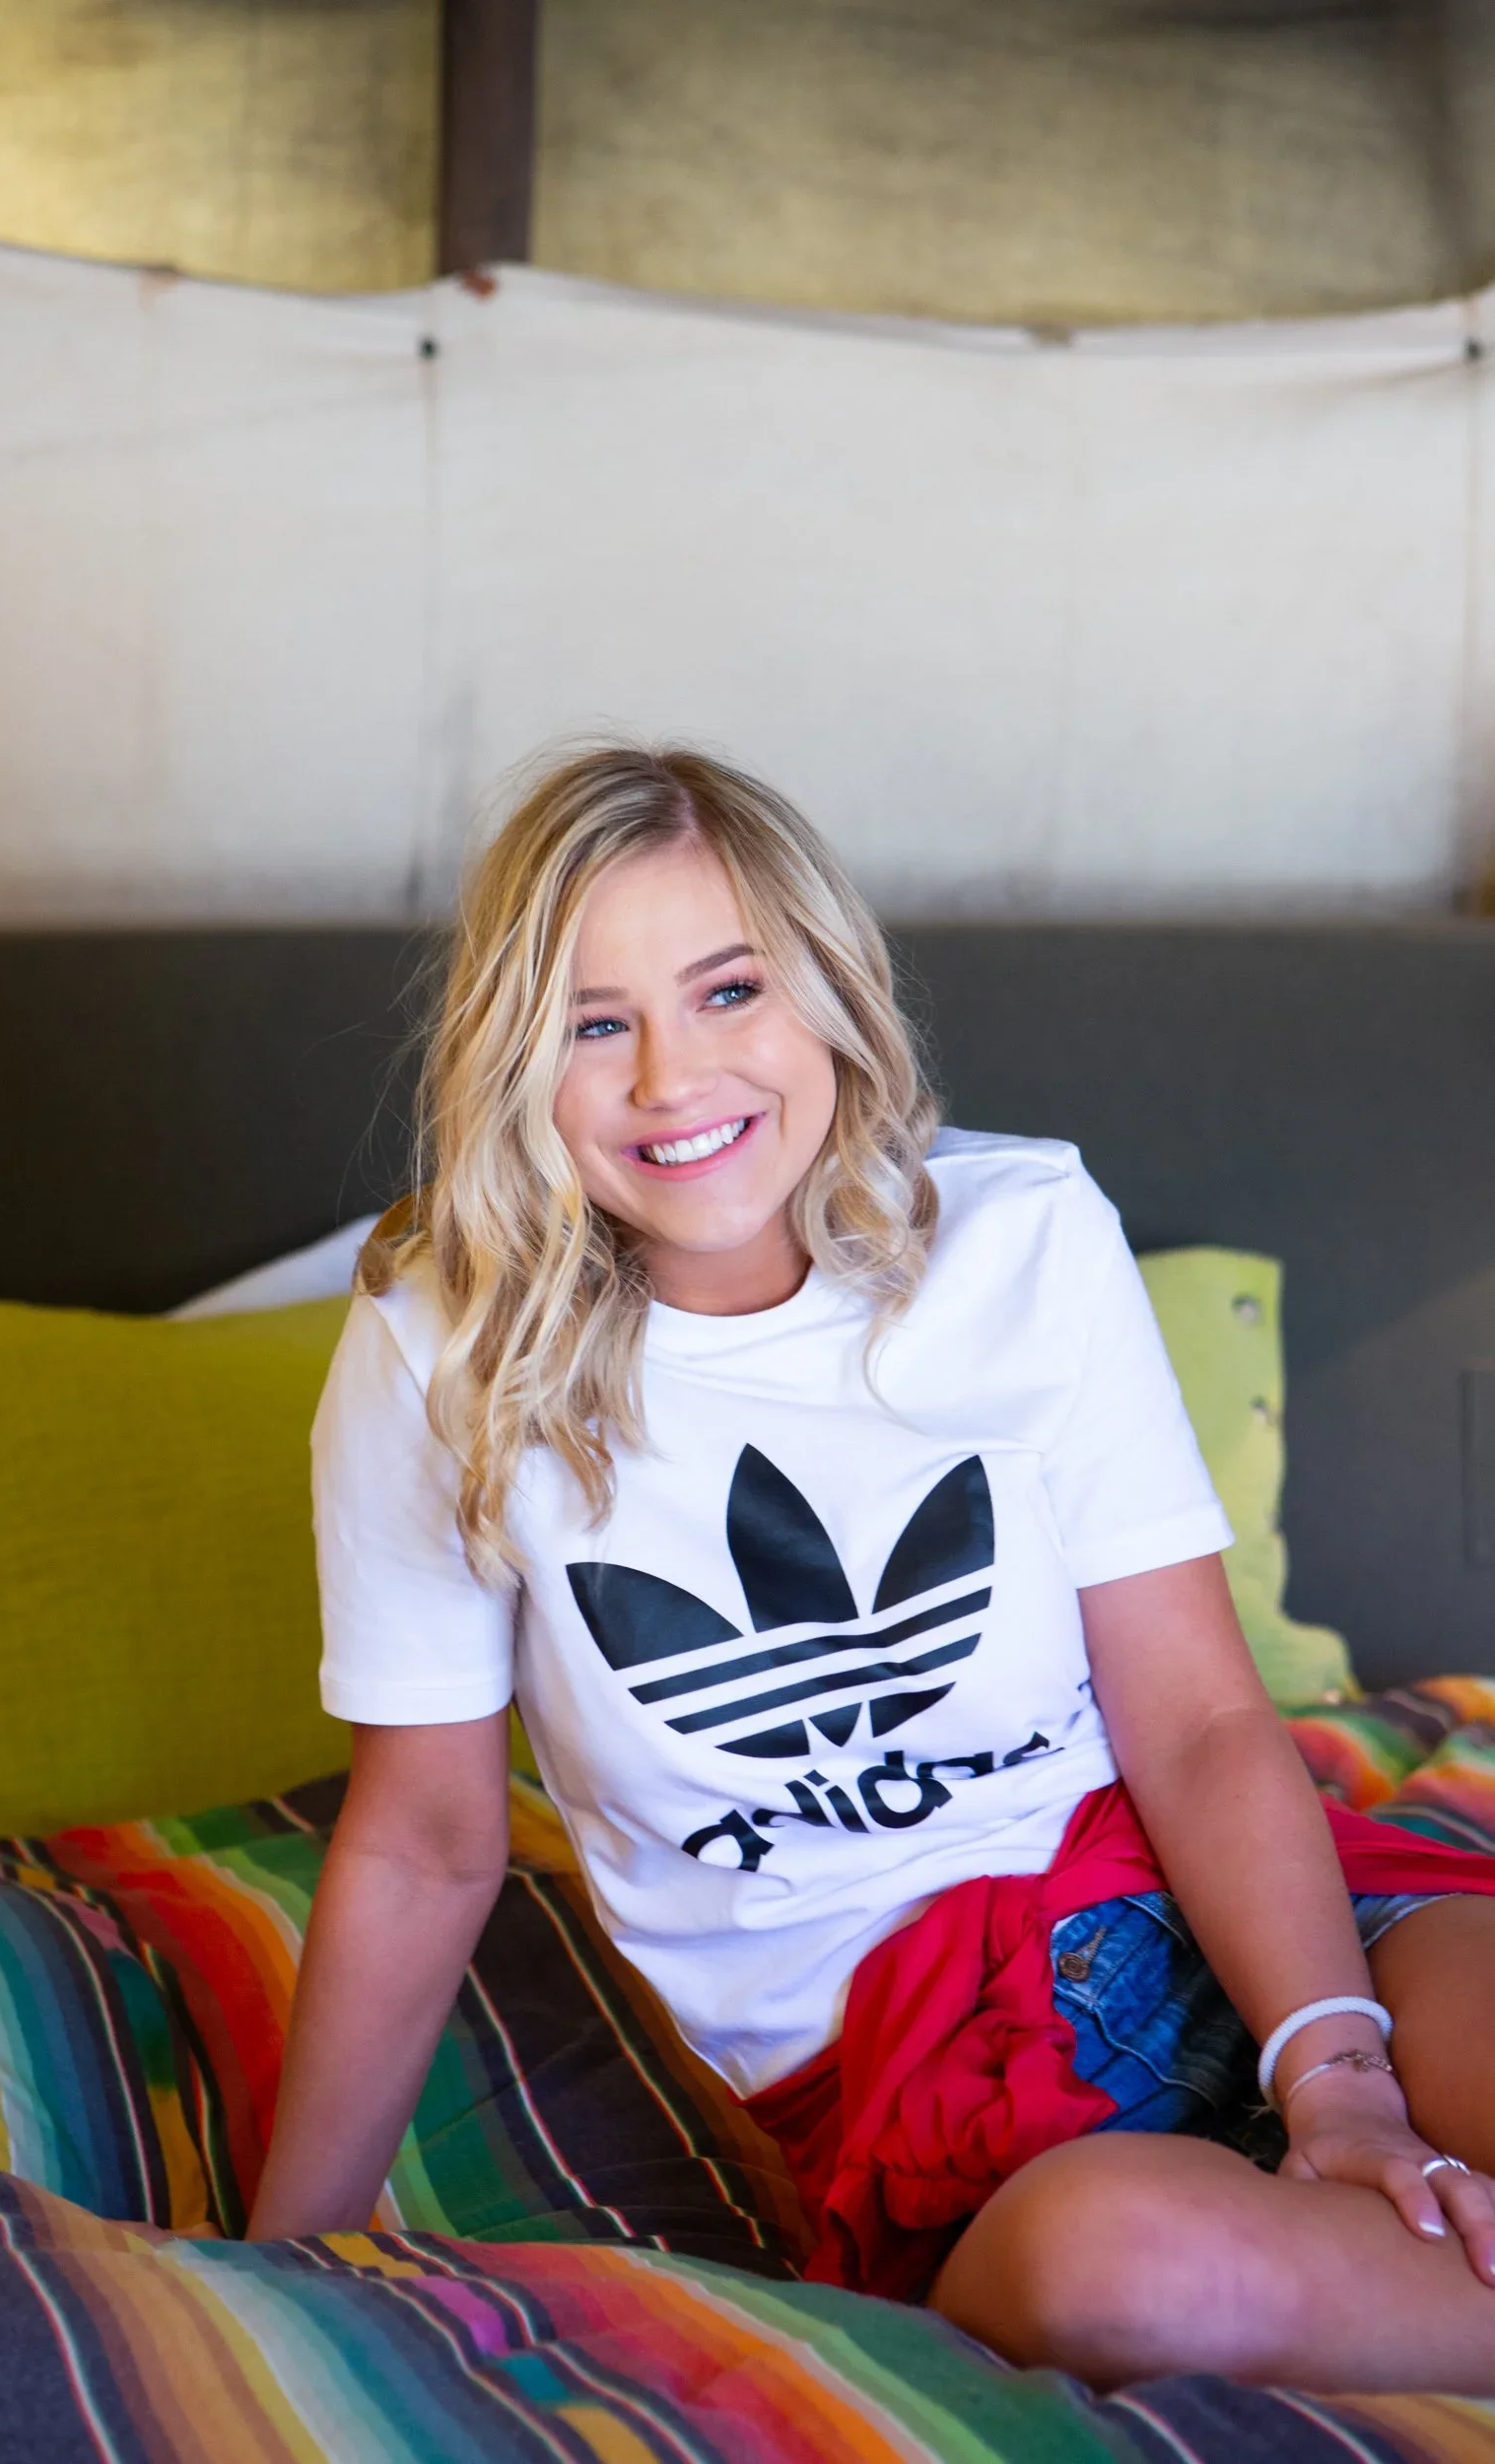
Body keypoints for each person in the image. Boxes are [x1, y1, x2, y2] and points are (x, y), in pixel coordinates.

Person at [248, 744, 1495, 2392]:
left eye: (727, 990)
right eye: (592, 1021)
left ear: (827, 991)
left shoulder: (1024, 1232)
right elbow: (421, 1848)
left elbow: (1197, 1726)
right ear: (517, 1064)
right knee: (1119, 2274)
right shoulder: (440, 1355)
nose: (669, 1080)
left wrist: (1335, 2079)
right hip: (927, 2084)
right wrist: (275, 2262)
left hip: (1249, 1920)